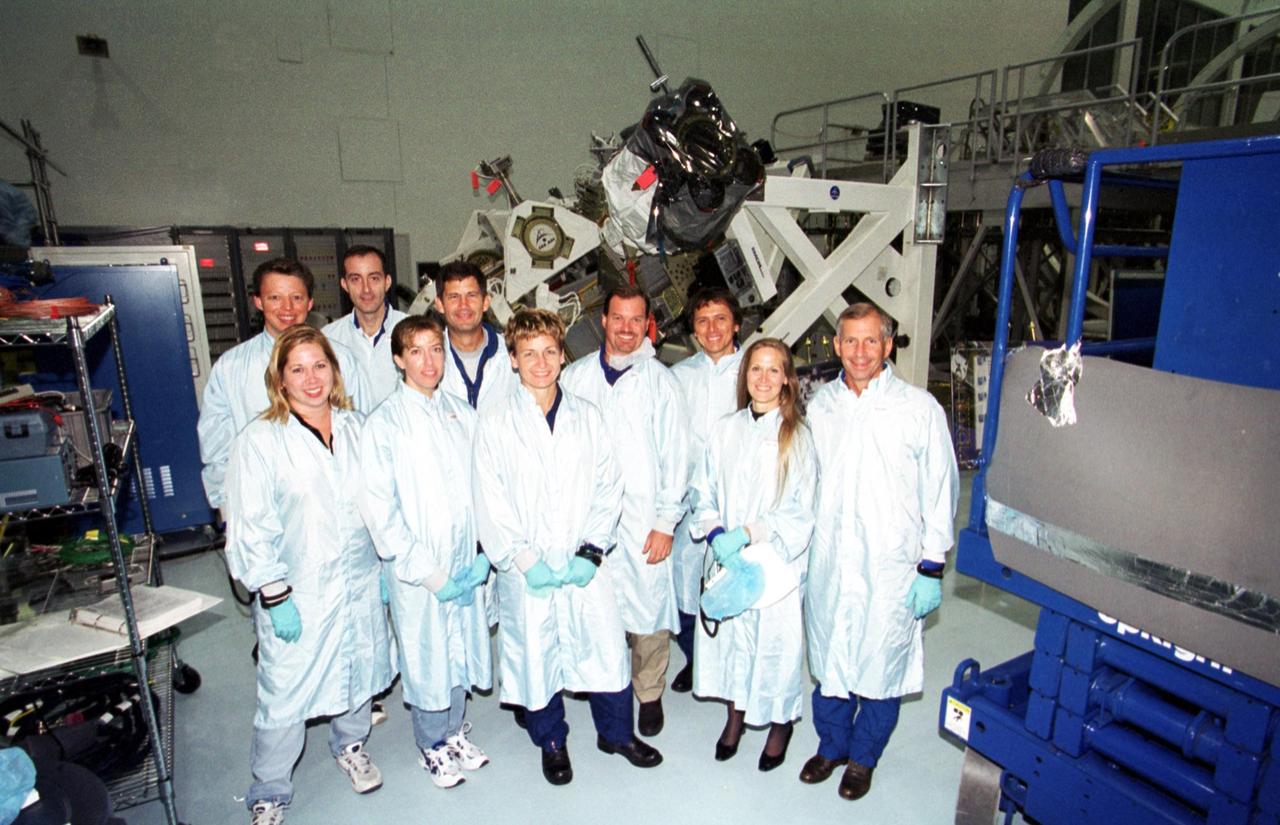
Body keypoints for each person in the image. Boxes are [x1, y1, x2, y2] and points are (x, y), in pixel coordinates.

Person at [472, 308, 663, 786]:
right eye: (529, 353)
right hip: (527, 568)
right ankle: (551, 741)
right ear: (512, 359)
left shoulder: (587, 415)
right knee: (536, 656)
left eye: (550, 352)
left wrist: (592, 549)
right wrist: (523, 558)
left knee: (603, 647)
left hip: (584, 561)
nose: (541, 362)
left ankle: (616, 734)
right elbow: (489, 498)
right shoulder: (495, 422)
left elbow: (608, 485)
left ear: (562, 355)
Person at [223, 325, 394, 825]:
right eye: (296, 368)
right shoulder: (260, 440)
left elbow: (380, 503)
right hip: (298, 590)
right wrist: (275, 596)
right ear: (279, 378)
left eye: (319, 365)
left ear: (334, 371)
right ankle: (270, 790)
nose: (311, 378)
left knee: (360, 670)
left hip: (360, 579)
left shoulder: (358, 428)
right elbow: (249, 525)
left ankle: (351, 746)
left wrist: (385, 564)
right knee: (284, 692)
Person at [801, 302, 959, 801]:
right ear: (836, 345)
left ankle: (863, 758)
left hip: (890, 565)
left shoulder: (918, 409)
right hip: (829, 558)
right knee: (830, 660)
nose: (861, 351)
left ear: (888, 345)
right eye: (851, 340)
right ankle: (831, 746)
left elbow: (941, 489)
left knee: (880, 666)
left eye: (872, 340)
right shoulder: (821, 405)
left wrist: (931, 565)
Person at [358, 315, 493, 789]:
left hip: (464, 561)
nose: (428, 360)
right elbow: (380, 510)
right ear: (398, 359)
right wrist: (429, 572)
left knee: (457, 651)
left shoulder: (461, 413)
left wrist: (481, 551)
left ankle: (454, 732)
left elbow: (482, 486)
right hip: (419, 569)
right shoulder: (383, 423)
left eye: (436, 349)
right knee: (426, 658)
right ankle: (431, 746)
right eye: (416, 351)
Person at [559, 284, 689, 737]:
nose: (627, 329)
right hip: (588, 520)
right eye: (619, 318)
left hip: (642, 522)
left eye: (637, 320)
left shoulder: (661, 383)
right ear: (604, 321)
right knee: (598, 609)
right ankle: (604, 686)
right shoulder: (575, 378)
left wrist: (665, 522)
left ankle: (648, 692)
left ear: (648, 323)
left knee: (649, 614)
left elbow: (677, 457)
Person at [691, 338, 816, 772]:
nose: (763, 379)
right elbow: (702, 489)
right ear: (745, 376)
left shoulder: (795, 436)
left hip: (774, 564)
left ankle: (781, 724)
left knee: (776, 647)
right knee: (733, 644)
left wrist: (749, 533)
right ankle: (735, 717)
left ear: (787, 379)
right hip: (730, 560)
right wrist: (716, 533)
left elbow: (800, 510)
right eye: (755, 369)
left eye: (773, 370)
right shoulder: (725, 429)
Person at [198, 257, 369, 514]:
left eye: (297, 298)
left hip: (335, 505)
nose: (287, 307)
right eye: (275, 298)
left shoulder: (341, 360)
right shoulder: (231, 368)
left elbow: (364, 432)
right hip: (261, 506)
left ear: (310, 303)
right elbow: (216, 448)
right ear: (258, 301)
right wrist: (228, 506)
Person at [668, 287, 745, 693]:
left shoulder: (754, 370)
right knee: (684, 582)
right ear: (693, 330)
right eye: (702, 321)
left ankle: (731, 667)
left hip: (740, 503)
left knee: (734, 583)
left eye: (720, 319)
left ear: (735, 324)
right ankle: (696, 658)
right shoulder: (680, 377)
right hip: (688, 502)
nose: (712, 329)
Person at [321, 245, 407, 408]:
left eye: (374, 278)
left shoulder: (413, 332)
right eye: (356, 279)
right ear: (345, 284)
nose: (366, 289)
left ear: (387, 282)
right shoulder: (327, 339)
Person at [434, 260, 518, 412]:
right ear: (439, 304)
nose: (463, 305)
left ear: (486, 302)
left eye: (471, 295)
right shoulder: (426, 360)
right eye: (454, 297)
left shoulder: (512, 355)